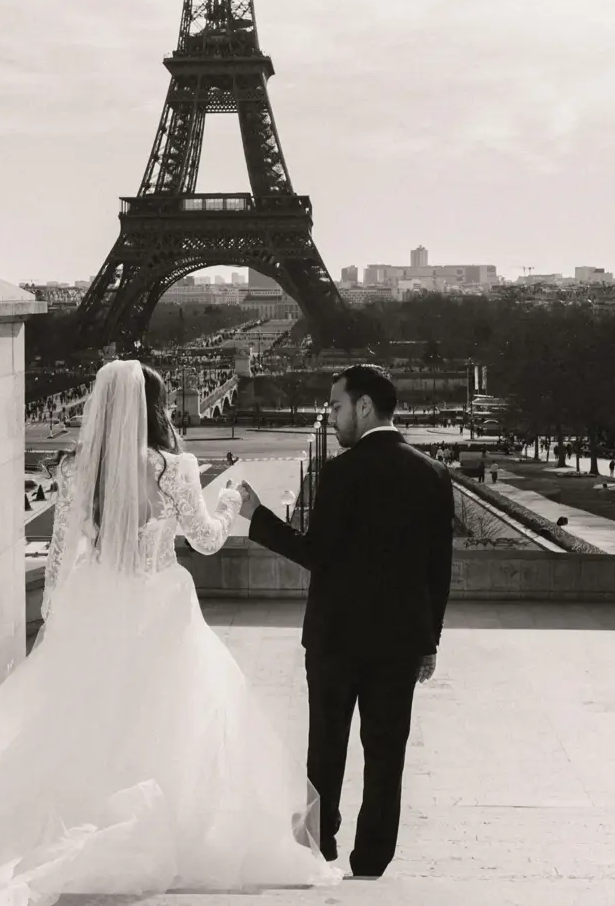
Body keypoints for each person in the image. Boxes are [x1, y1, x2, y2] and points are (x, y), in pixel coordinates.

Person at [0, 361, 340, 904]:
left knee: (91, 717)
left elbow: (59, 558)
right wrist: (229, 505)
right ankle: (163, 815)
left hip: (98, 596)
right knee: (174, 717)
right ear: (153, 406)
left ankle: (88, 808)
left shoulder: (75, 468)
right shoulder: (173, 466)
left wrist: (57, 622)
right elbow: (204, 541)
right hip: (161, 602)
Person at [237, 364, 454, 879]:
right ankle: (372, 860)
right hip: (401, 641)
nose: (330, 416)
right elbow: (438, 573)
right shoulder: (433, 474)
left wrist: (257, 518)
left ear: (363, 407)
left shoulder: (340, 472)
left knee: (325, 750)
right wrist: (431, 642)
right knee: (386, 758)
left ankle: (318, 844)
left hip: (337, 638)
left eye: (336, 406)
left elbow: (319, 555)